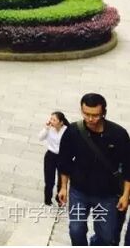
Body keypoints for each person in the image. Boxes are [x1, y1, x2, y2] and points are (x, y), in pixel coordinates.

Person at [58, 93, 130, 246]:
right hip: (79, 191)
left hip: (107, 194)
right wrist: (63, 187)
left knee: (106, 236)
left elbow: (128, 166)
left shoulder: (118, 134)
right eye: (86, 114)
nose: (90, 119)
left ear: (104, 112)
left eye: (95, 115)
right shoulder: (73, 131)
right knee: (76, 230)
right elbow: (64, 160)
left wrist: (125, 195)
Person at [38, 111, 69, 206]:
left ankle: (59, 199)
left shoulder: (67, 130)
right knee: (49, 180)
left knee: (61, 180)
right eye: (51, 119)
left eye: (54, 120)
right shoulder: (49, 129)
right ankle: (47, 200)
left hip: (62, 157)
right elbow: (40, 138)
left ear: (61, 122)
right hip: (50, 156)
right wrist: (46, 128)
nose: (51, 121)